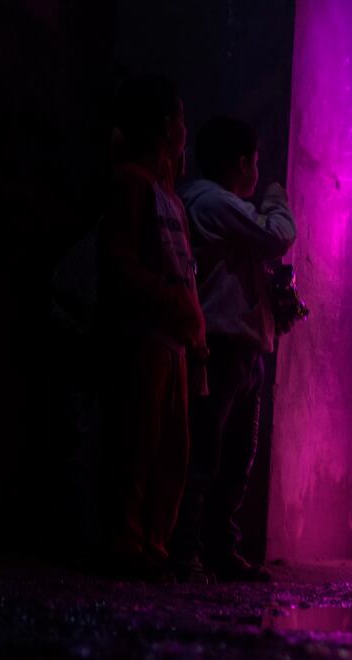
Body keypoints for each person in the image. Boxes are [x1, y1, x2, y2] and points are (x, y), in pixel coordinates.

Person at [171, 117, 296, 582]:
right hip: (221, 345)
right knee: (206, 450)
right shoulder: (211, 201)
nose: (258, 170)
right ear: (242, 163)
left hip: (242, 348)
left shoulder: (217, 204)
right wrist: (277, 198)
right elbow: (278, 234)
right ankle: (186, 550)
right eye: (256, 161)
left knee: (235, 454)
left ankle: (218, 547)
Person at [98, 75, 205, 578]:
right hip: (143, 339)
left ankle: (153, 546)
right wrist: (173, 305)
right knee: (136, 443)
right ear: (166, 128)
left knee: (170, 449)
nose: (186, 131)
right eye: (181, 120)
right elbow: (120, 266)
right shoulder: (132, 185)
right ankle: (127, 542)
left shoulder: (171, 198)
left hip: (175, 343)